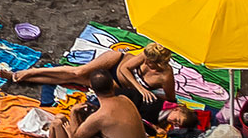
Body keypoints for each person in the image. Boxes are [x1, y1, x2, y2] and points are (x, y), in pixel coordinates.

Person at [6, 66, 148, 138]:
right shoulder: (125, 99)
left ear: (91, 87)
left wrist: (74, 113)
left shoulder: (100, 116)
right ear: (112, 84)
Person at [11, 42, 177, 126]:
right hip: (115, 61)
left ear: (160, 63)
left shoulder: (165, 77)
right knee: (78, 72)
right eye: (145, 60)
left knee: (73, 79)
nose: (146, 63)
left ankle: (25, 76)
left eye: (150, 64)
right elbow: (126, 68)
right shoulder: (149, 52)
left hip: (114, 84)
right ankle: (32, 72)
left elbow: (171, 100)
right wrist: (141, 89)